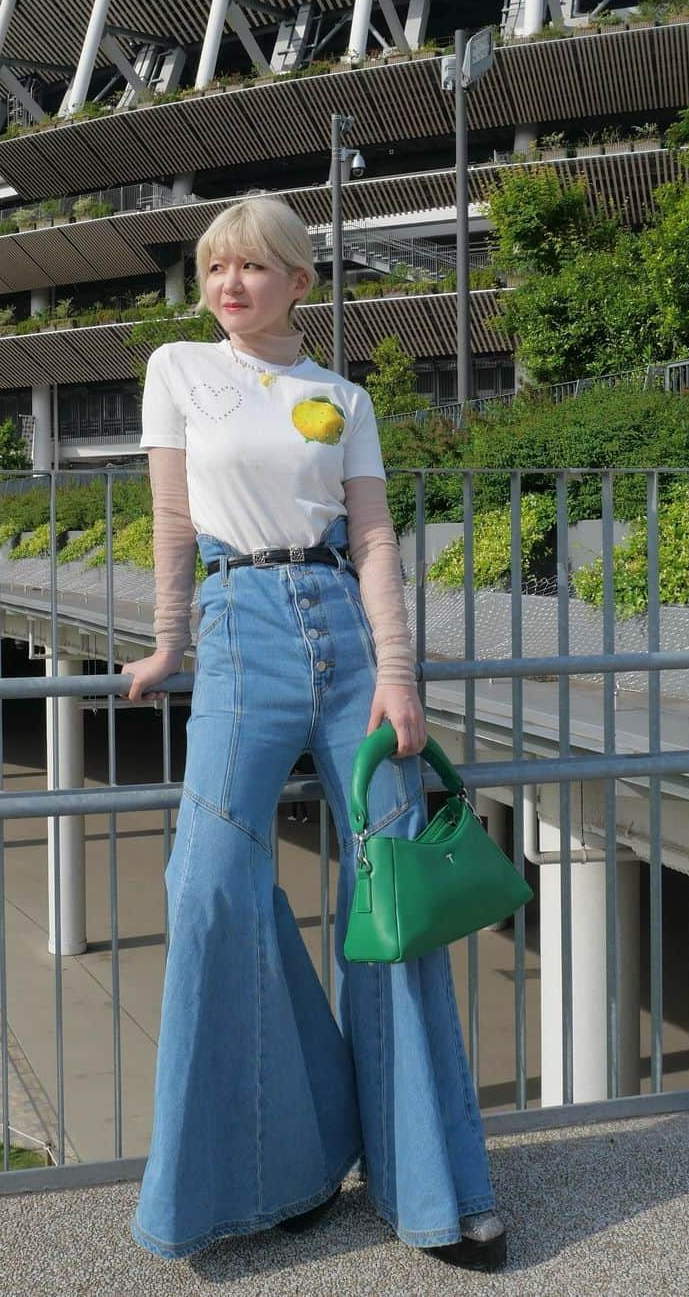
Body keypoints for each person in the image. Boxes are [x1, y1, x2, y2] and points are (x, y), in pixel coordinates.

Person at [121, 196, 504, 1270]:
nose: (229, 285)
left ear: (299, 280)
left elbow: (374, 536)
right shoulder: (178, 372)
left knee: (396, 906)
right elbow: (171, 520)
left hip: (345, 637)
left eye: (251, 268)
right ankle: (277, 1163)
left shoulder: (342, 395)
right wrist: (165, 645)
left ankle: (437, 1192)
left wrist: (398, 673)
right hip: (239, 632)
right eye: (213, 270)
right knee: (208, 889)